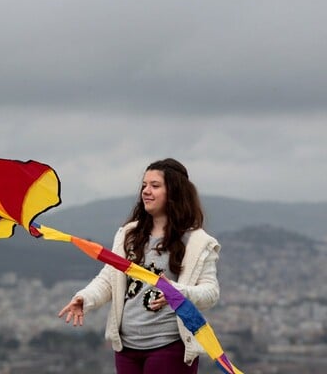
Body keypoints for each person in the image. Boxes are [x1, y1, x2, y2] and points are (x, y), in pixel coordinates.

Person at [58, 158, 220, 374]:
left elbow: (211, 292)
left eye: (155, 186)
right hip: (127, 348)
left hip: (169, 346)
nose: (146, 191)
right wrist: (85, 298)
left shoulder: (197, 241)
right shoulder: (128, 234)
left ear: (174, 192)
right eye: (144, 185)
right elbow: (110, 278)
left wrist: (178, 293)